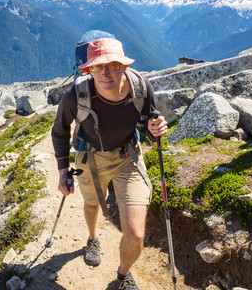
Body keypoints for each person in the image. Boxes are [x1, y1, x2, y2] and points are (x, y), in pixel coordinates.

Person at [51, 37, 167, 290]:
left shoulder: (141, 87)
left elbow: (149, 123)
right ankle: (93, 238)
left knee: (136, 234)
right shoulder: (76, 95)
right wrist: (63, 171)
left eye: (112, 65)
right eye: (96, 67)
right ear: (88, 68)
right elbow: (59, 131)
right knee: (92, 204)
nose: (104, 73)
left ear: (123, 66)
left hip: (128, 157)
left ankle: (123, 274)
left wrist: (155, 129)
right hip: (90, 158)